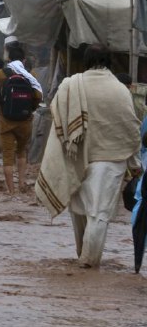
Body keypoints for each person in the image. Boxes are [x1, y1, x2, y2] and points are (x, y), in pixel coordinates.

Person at [36, 44, 141, 268]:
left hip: (75, 156)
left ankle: (82, 256)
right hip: (110, 161)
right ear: (109, 61)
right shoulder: (120, 89)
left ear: (86, 60)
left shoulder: (71, 85)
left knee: (78, 211)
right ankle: (89, 263)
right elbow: (130, 130)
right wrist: (135, 165)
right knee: (99, 214)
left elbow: (58, 119)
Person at [0, 45, 43, 193]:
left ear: (8, 59)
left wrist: (0, 102)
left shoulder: (1, 74)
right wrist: (31, 108)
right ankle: (22, 184)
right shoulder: (30, 75)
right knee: (22, 151)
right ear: (23, 60)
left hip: (6, 121)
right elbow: (38, 96)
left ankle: (11, 191)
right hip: (25, 120)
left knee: (8, 155)